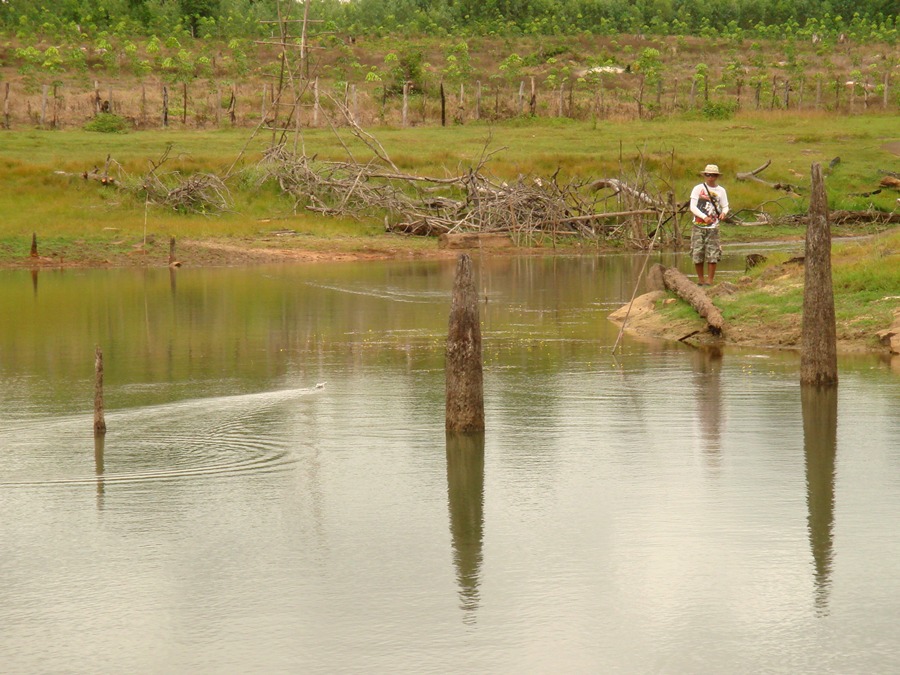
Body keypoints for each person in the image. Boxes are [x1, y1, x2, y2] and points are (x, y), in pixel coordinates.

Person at [689, 164, 729, 286]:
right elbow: (693, 206)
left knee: (713, 253)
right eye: (708, 175)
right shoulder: (697, 188)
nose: (710, 177)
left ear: (716, 176)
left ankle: (710, 280)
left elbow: (725, 206)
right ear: (704, 175)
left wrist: (723, 213)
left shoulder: (721, 190)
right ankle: (701, 280)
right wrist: (704, 217)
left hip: (713, 226)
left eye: (713, 175)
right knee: (697, 252)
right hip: (698, 225)